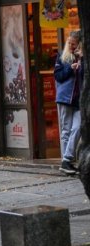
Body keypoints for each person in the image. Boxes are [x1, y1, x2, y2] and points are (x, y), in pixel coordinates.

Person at [54, 30, 83, 175]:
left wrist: (82, 62)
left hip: (79, 100)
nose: (71, 45)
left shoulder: (83, 57)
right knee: (65, 131)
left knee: (77, 128)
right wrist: (70, 69)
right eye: (69, 43)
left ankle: (66, 159)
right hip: (65, 98)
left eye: (74, 43)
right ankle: (66, 163)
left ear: (79, 44)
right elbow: (58, 76)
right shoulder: (62, 56)